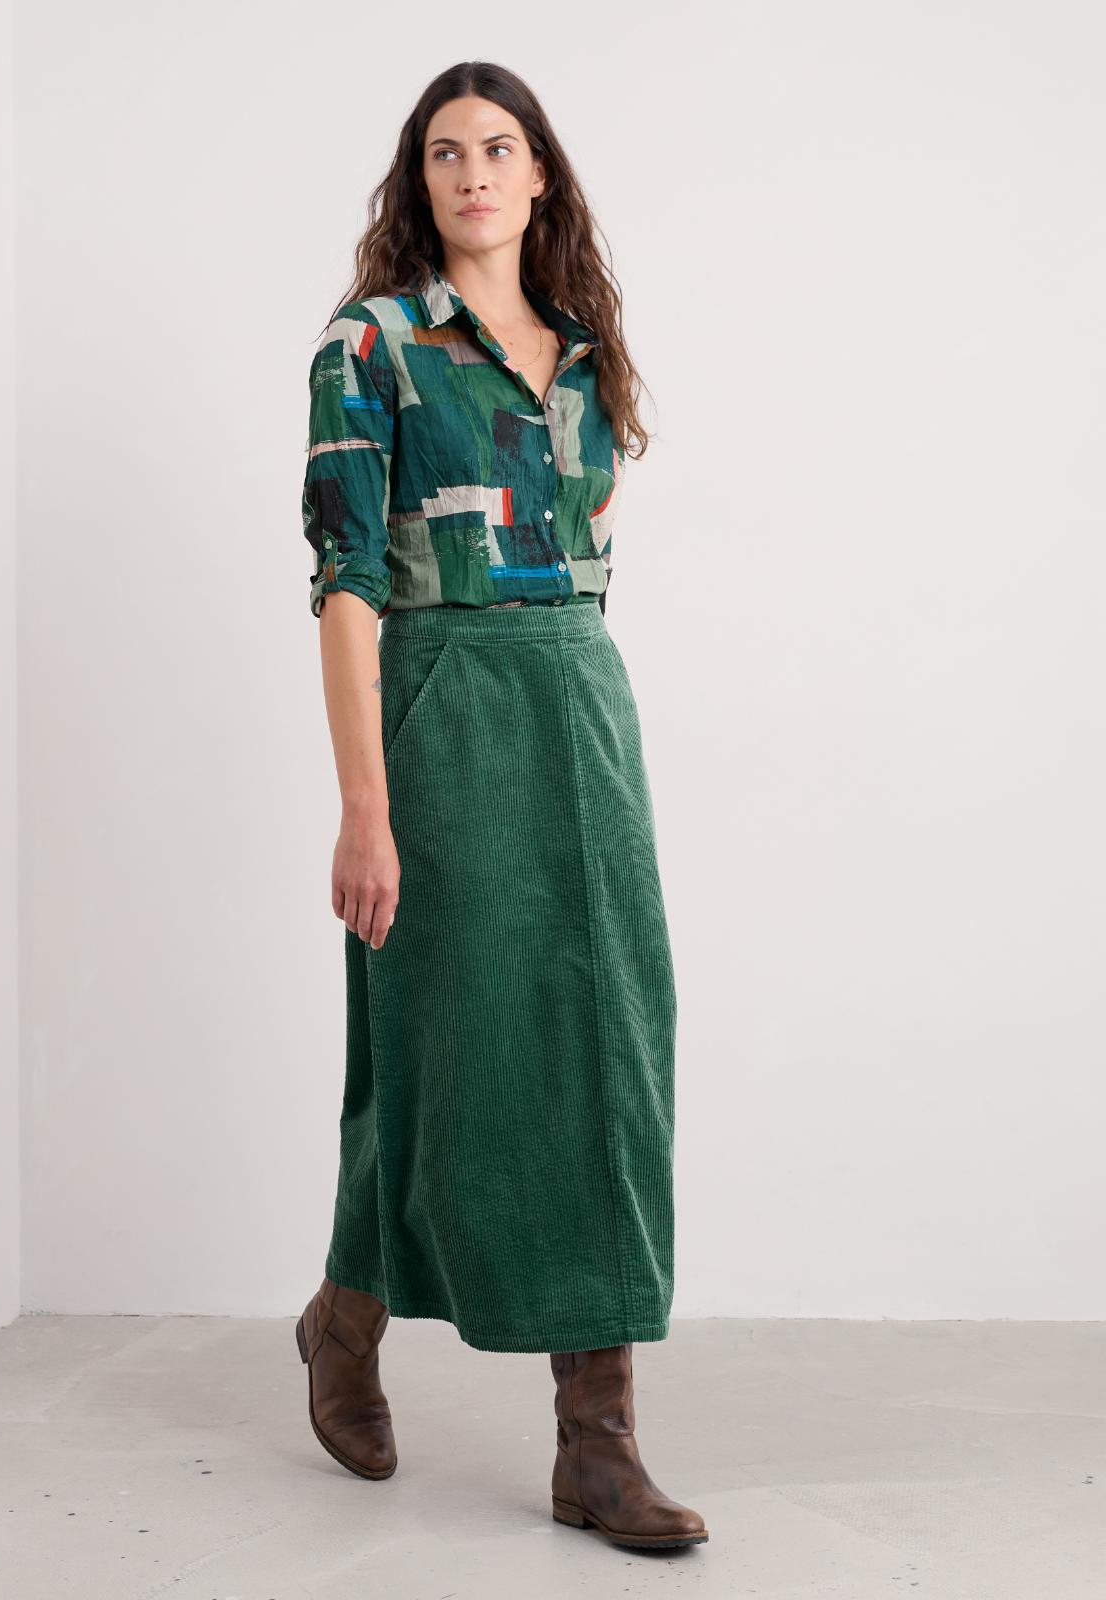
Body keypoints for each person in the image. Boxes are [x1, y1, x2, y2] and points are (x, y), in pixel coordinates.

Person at [293, 61, 707, 1554]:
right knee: (436, 1042)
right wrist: (365, 804)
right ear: (421, 181)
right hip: (440, 701)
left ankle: (597, 1441)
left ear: (541, 178)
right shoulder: (374, 343)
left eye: (499, 147)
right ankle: (348, 1318)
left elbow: (589, 556)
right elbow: (346, 585)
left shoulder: (588, 355)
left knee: (611, 1041)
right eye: (445, 151)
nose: (473, 172)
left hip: (582, 707)